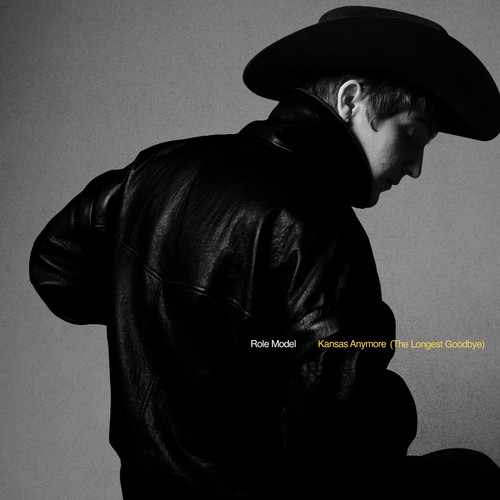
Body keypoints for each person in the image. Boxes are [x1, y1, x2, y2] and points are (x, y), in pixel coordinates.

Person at [29, 6, 500, 499]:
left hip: (149, 490)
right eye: (412, 134)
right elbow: (339, 444)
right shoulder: (318, 226)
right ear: (350, 101)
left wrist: (173, 327)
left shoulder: (159, 166)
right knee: (475, 478)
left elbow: (56, 266)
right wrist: (396, 407)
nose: (416, 167)